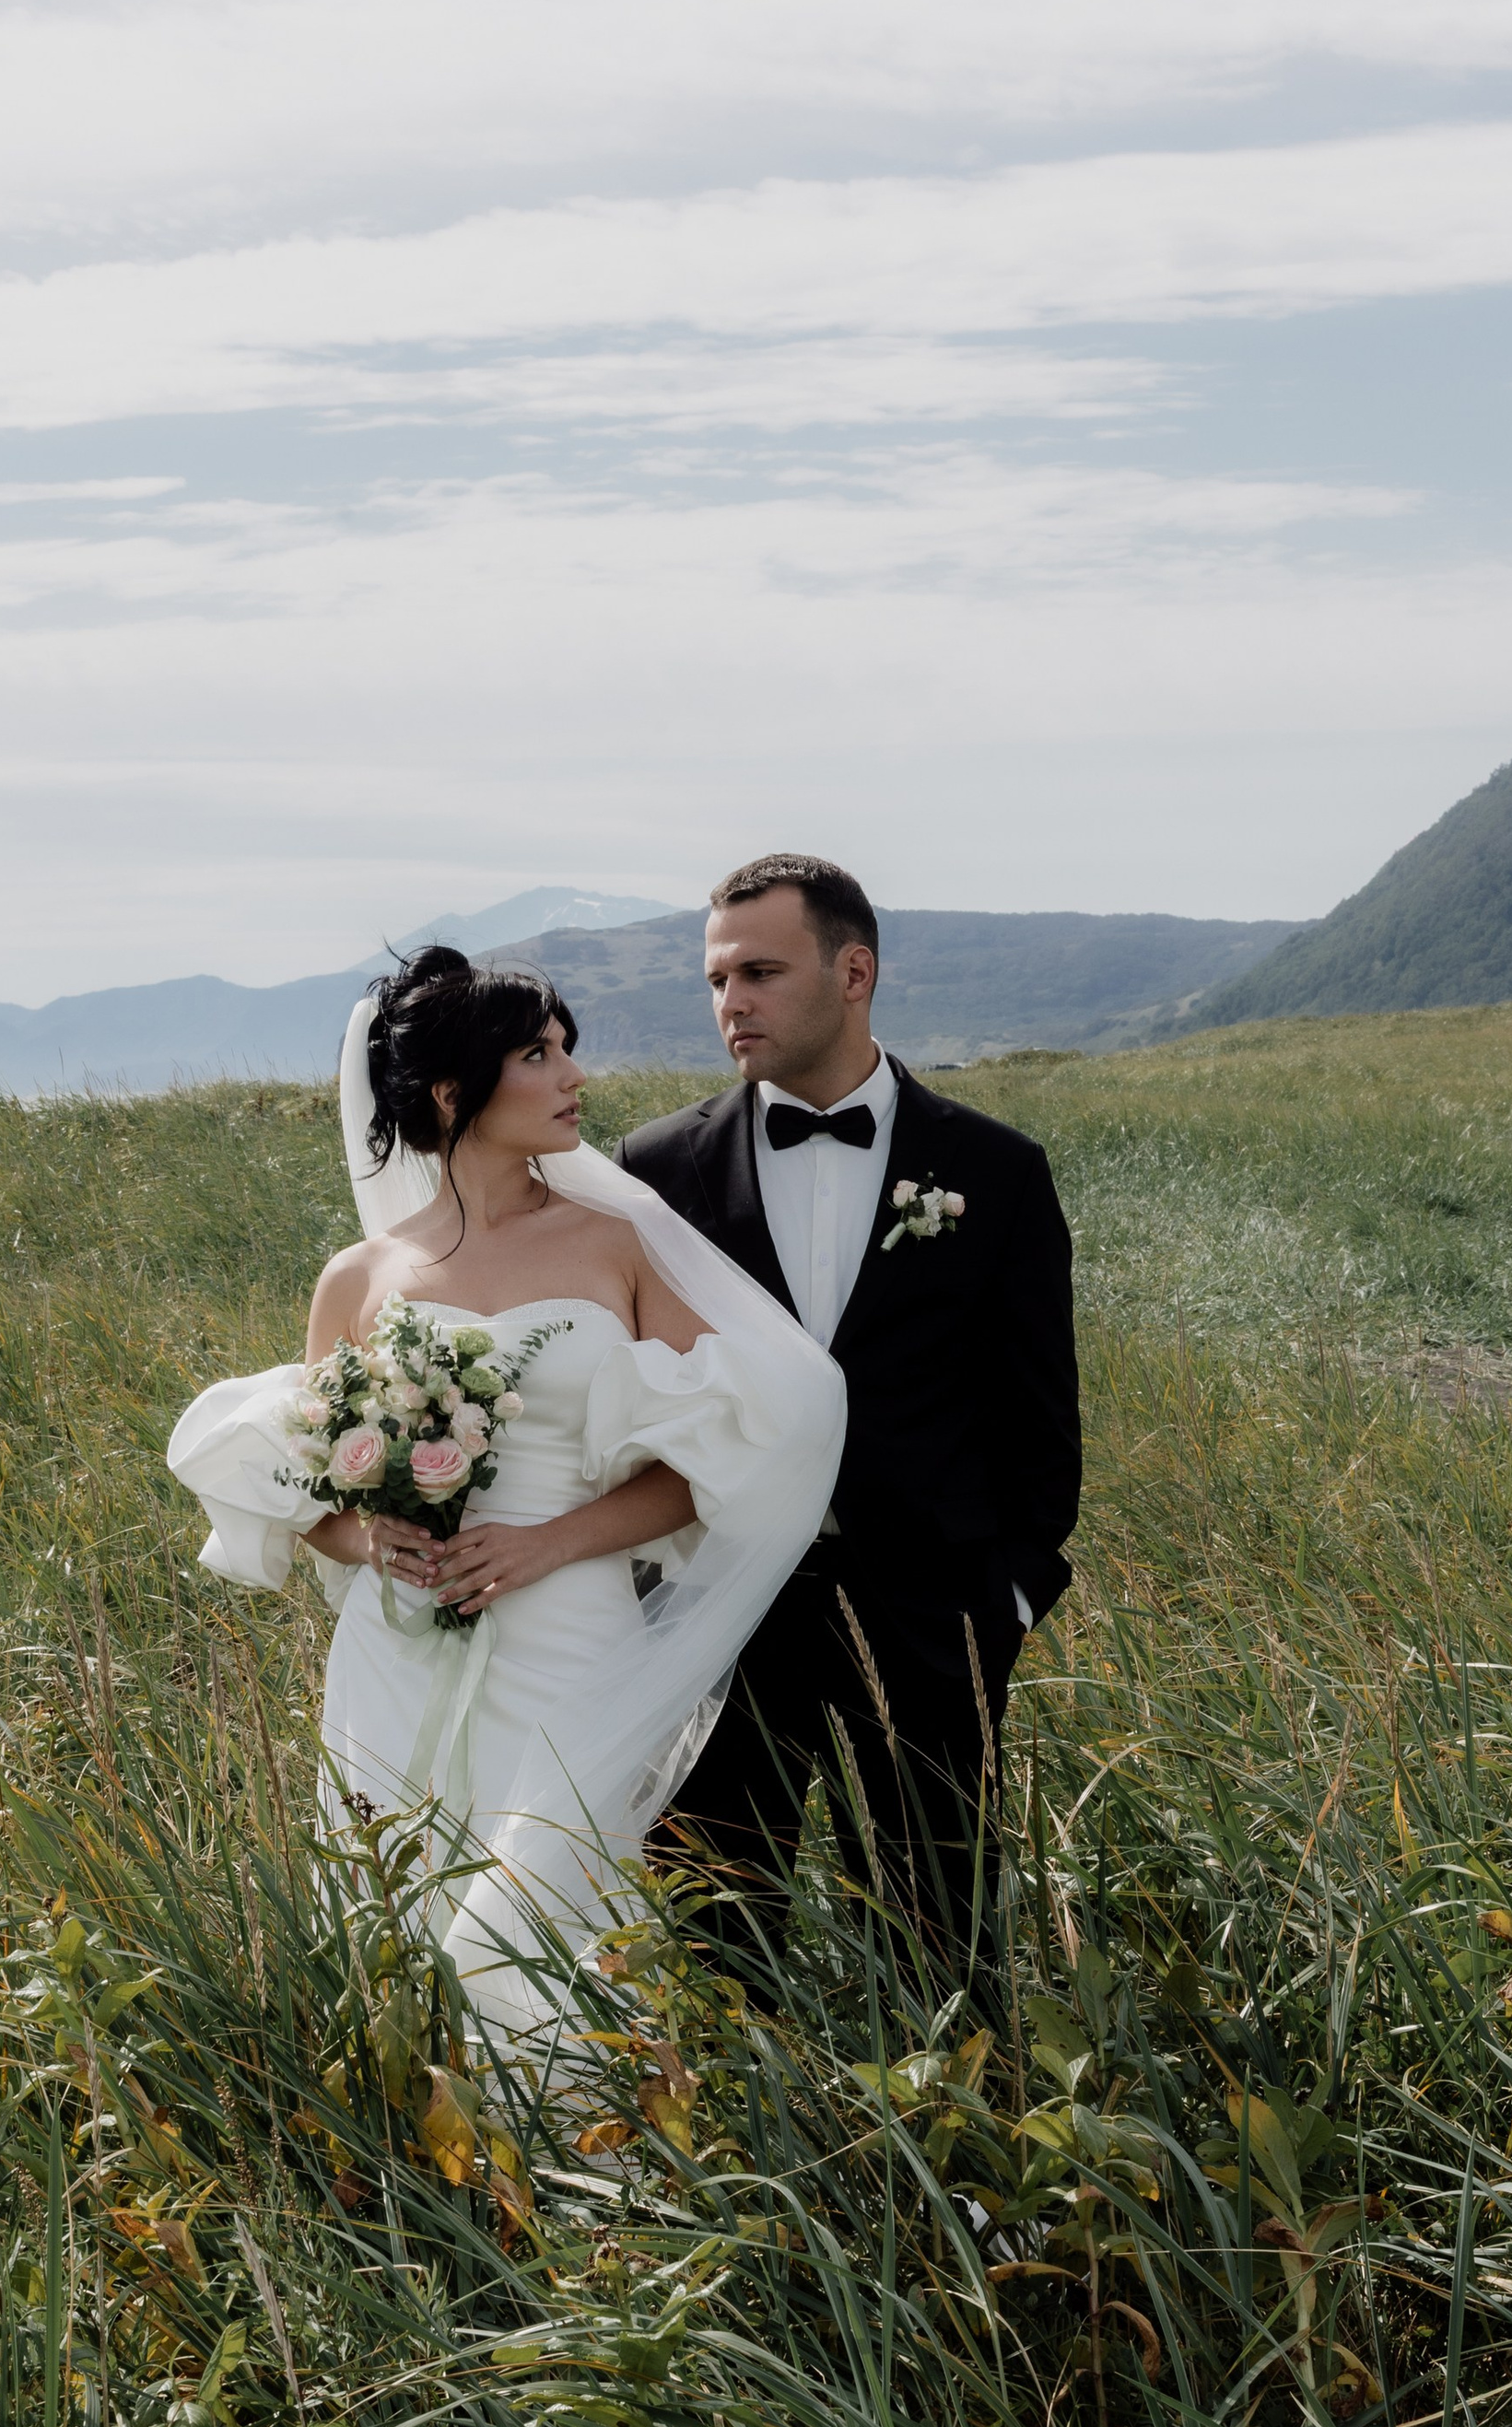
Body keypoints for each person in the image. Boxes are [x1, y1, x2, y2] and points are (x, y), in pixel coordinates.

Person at [167, 946, 846, 2059]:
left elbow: (724, 1453)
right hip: (399, 1642)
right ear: (451, 1093)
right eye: (540, 1053)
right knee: (401, 1895)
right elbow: (312, 1486)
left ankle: (593, 2168)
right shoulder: (361, 1277)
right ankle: (434, 2157)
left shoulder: (612, 1245)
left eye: (566, 1046)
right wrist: (372, 1539)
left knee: (554, 1901)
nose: (573, 1073)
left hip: (574, 1630)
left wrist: (549, 1544)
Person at [615, 854, 1080, 1966]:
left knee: (940, 1943)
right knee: (715, 1941)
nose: (732, 1003)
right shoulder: (656, 1170)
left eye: (762, 972)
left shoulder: (995, 1170)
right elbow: (627, 1405)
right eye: (718, 978)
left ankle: (946, 2134)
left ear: (854, 970)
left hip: (931, 1617)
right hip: (721, 1619)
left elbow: (1038, 1415)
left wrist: (1004, 1600)